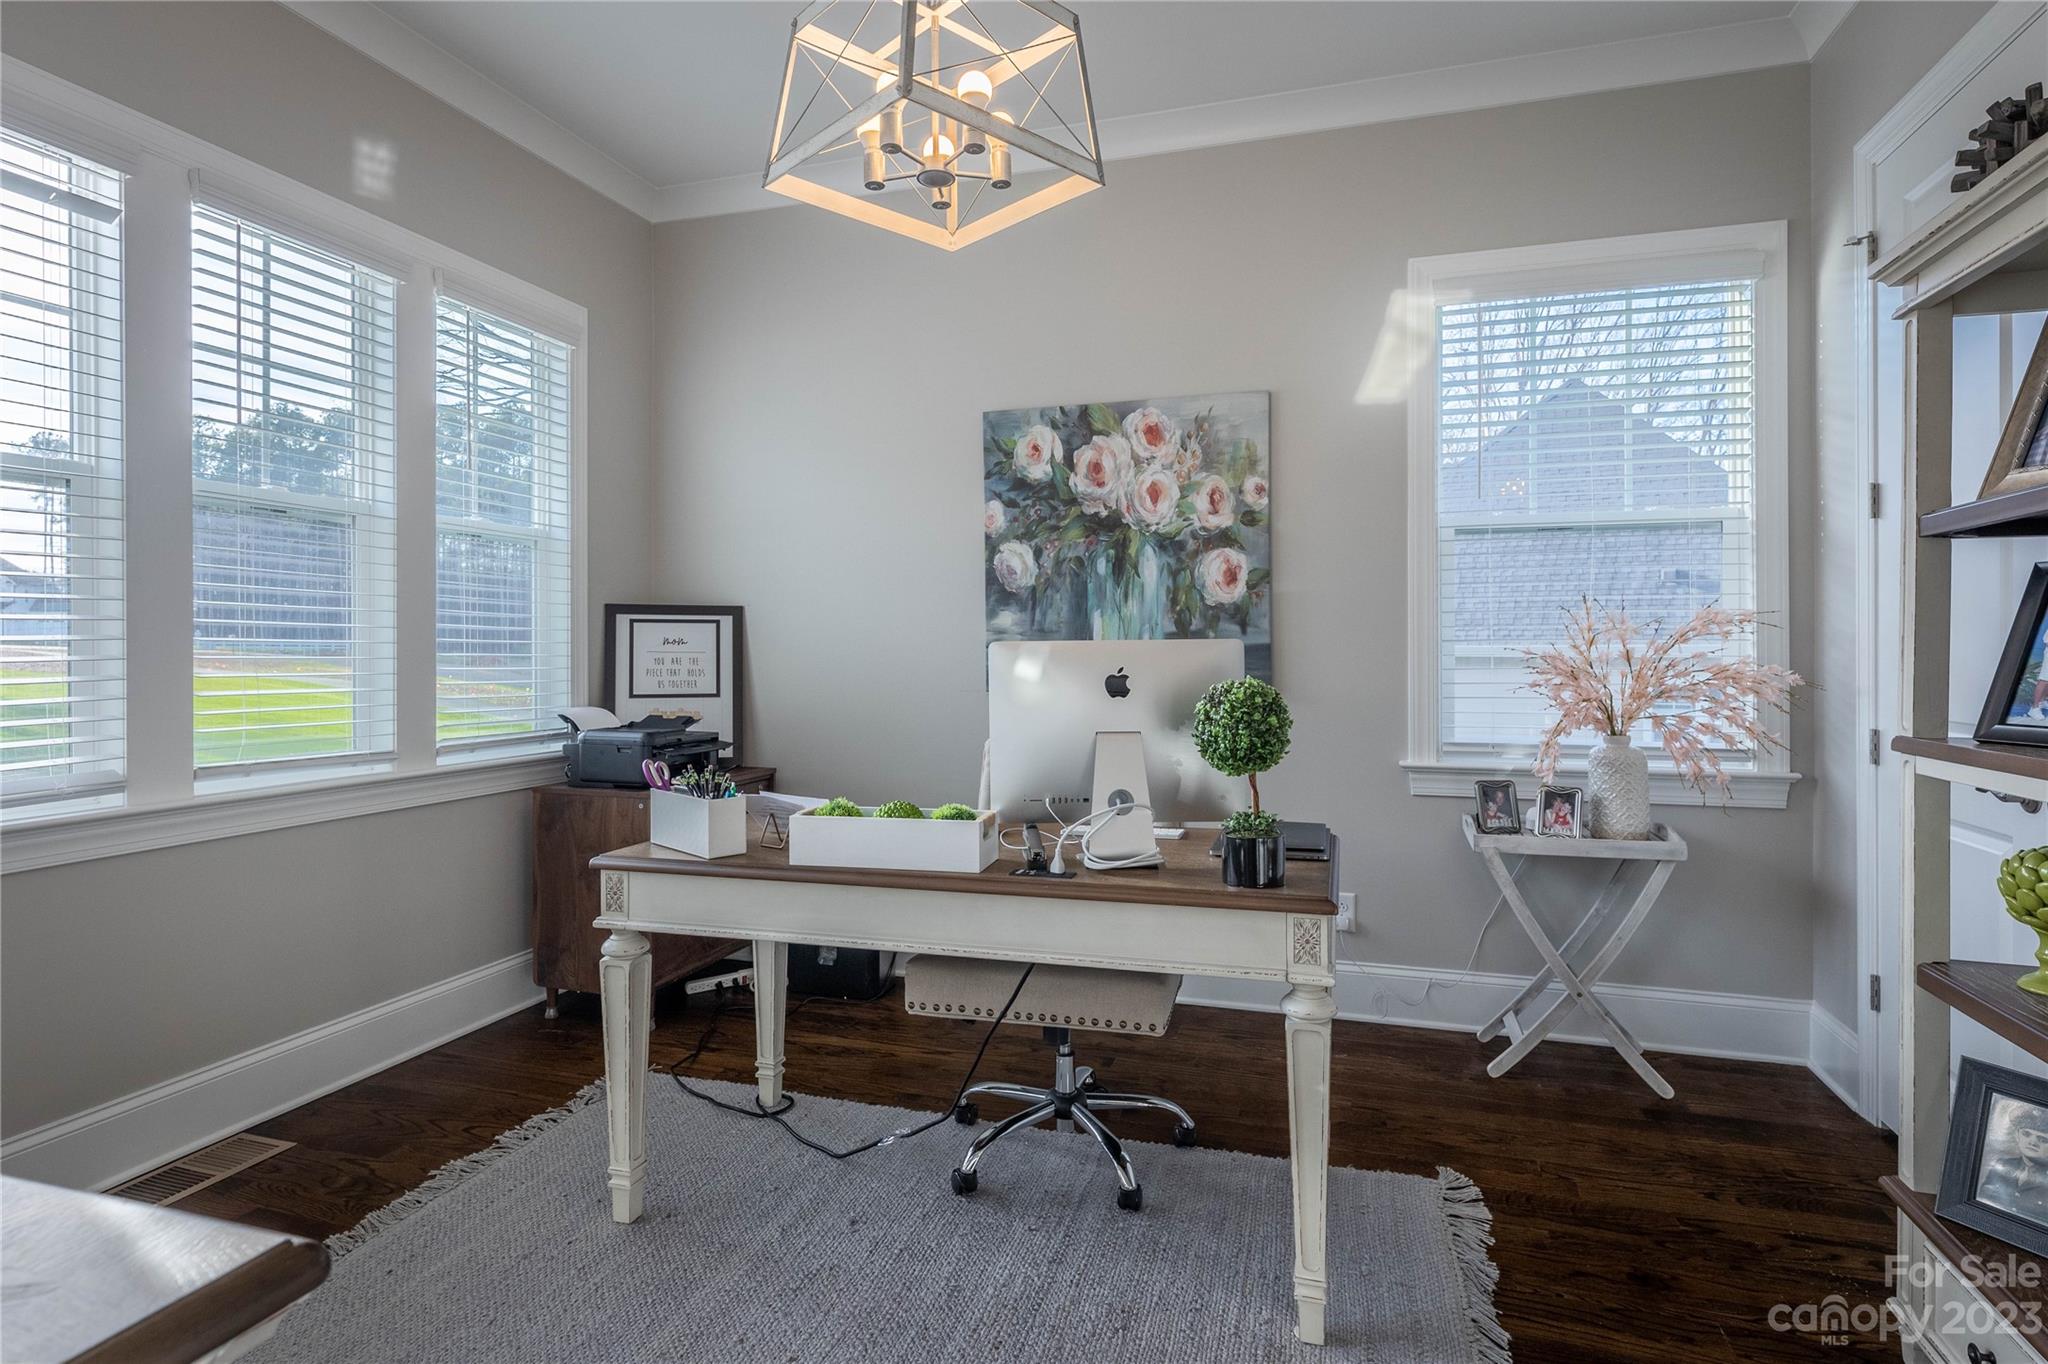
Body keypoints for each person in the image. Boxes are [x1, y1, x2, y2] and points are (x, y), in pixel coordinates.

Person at [1977, 1104, 2048, 1226]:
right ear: (2017, 1136)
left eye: (2042, 1139)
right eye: (2026, 1134)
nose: (2032, 1142)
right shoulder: (2002, 1164)